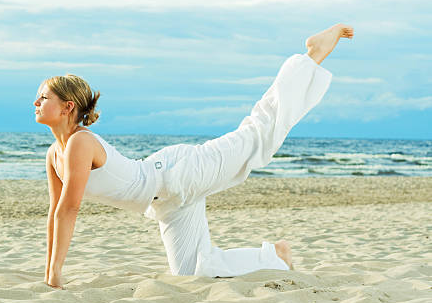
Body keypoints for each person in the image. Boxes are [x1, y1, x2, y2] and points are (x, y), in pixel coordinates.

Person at [34, 23, 354, 289]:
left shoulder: (80, 143)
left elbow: (70, 210)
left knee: (257, 134)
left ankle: (311, 56)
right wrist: (51, 272)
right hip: (165, 201)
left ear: (68, 107)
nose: (36, 102)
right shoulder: (55, 154)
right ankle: (277, 255)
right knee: (192, 272)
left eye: (44, 97)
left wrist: (55, 274)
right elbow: (55, 213)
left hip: (180, 171)